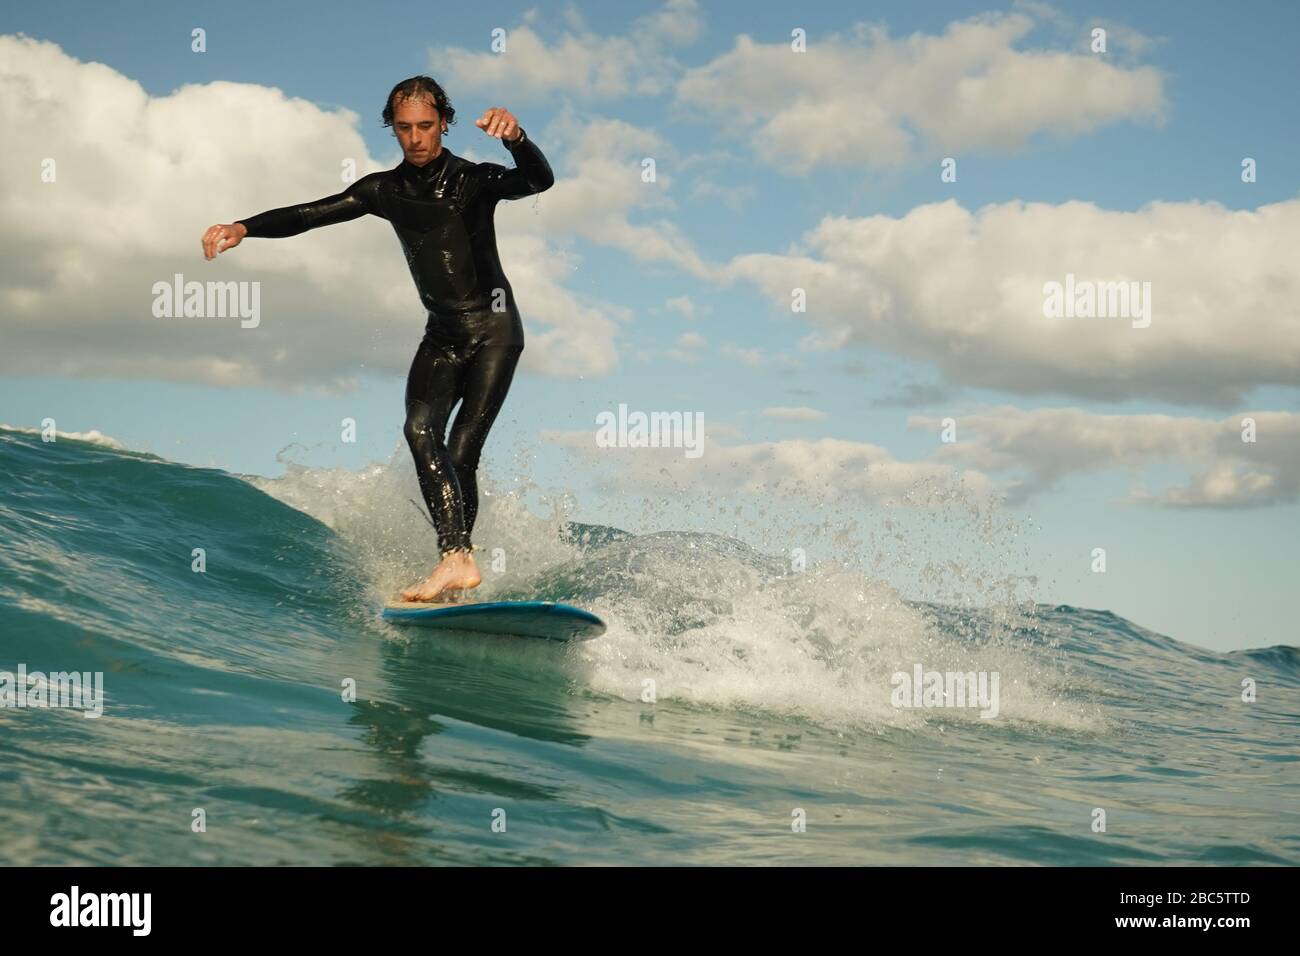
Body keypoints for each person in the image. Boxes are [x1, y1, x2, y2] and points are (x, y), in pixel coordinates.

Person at [201, 76, 554, 602]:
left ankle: (456, 563)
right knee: (419, 429)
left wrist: (517, 138)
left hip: (496, 332)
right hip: (442, 335)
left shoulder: (473, 180)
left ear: (445, 123)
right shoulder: (383, 190)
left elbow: (537, 182)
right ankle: (457, 561)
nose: (415, 138)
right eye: (404, 128)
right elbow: (310, 214)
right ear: (392, 127)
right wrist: (244, 227)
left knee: (462, 454)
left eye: (426, 127)